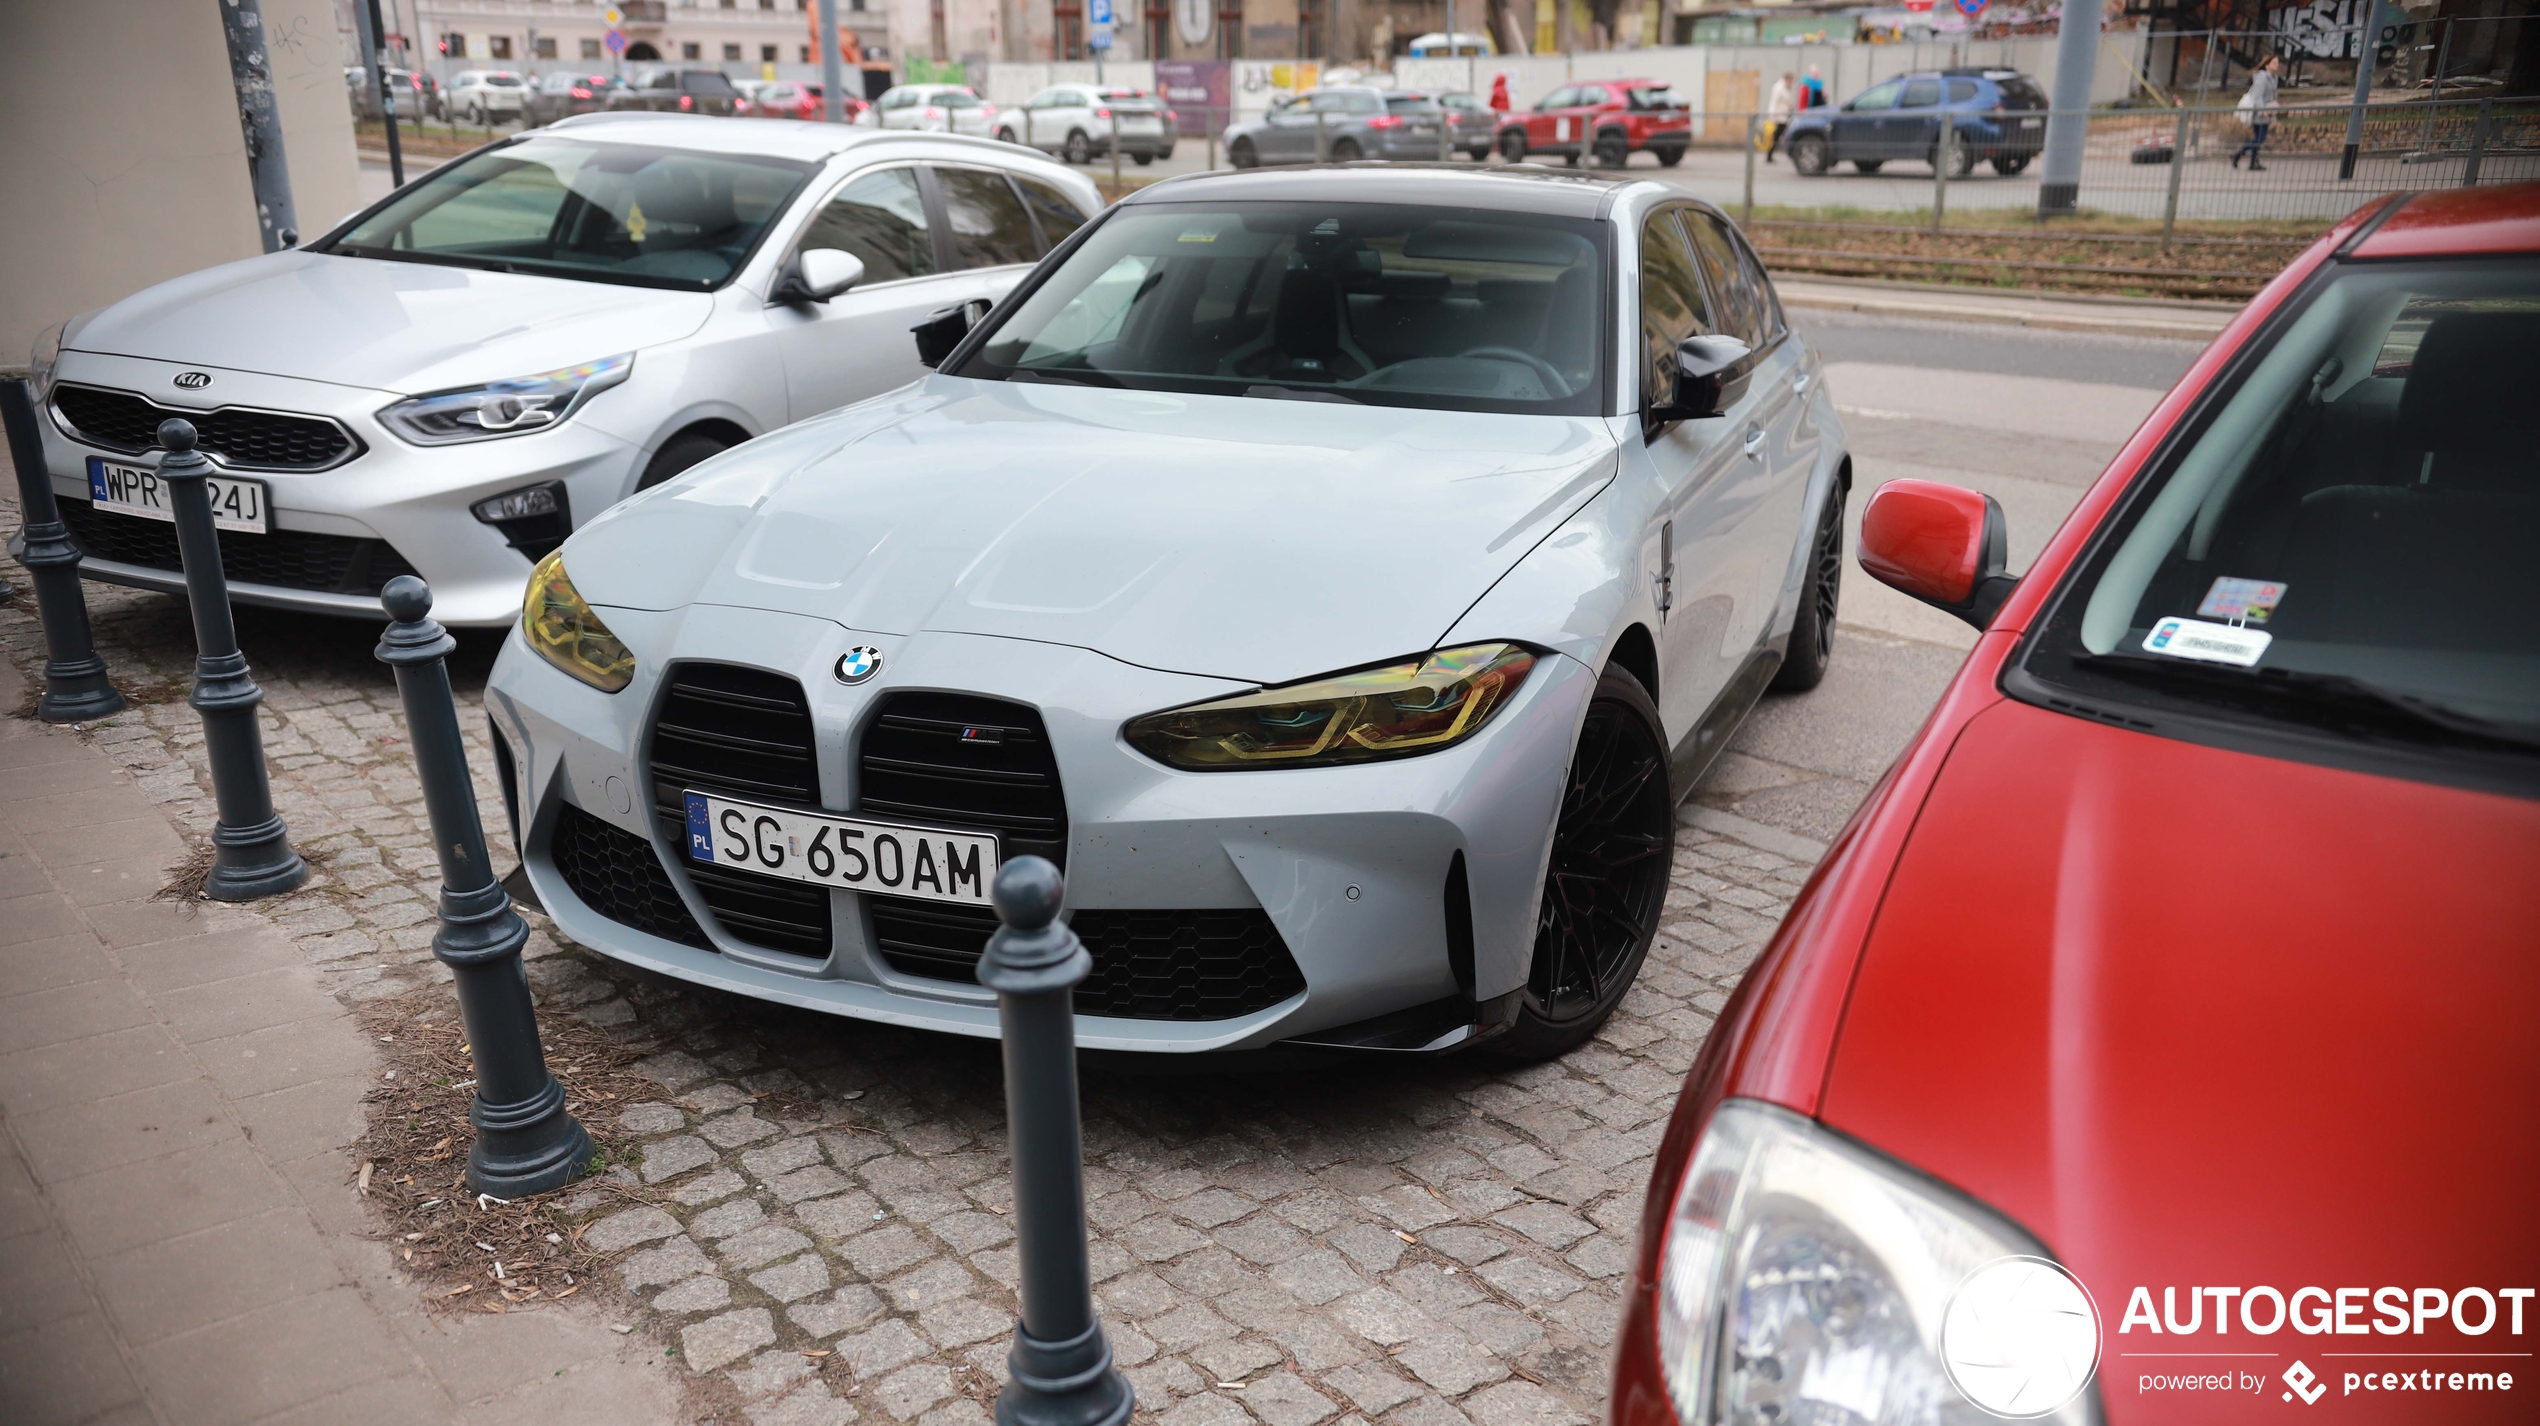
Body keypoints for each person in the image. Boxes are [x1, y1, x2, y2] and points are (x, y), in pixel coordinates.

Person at [2233, 55, 2281, 171]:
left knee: (2258, 138)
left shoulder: (2273, 77)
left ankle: (2253, 162)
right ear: (2267, 65)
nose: (2277, 65)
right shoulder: (2262, 77)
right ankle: (2238, 154)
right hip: (2259, 111)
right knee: (2260, 138)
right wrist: (2262, 111)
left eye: (2277, 63)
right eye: (2274, 63)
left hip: (2267, 110)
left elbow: (2271, 95)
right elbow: (2258, 96)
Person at [1765, 73, 1795, 163]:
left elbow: (1785, 101)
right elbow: (1774, 103)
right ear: (1788, 79)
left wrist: (1789, 106)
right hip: (1779, 117)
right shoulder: (1779, 88)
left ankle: (1770, 155)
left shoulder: (1786, 88)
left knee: (1777, 137)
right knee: (1776, 137)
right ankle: (1769, 155)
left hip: (1784, 116)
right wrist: (1772, 117)